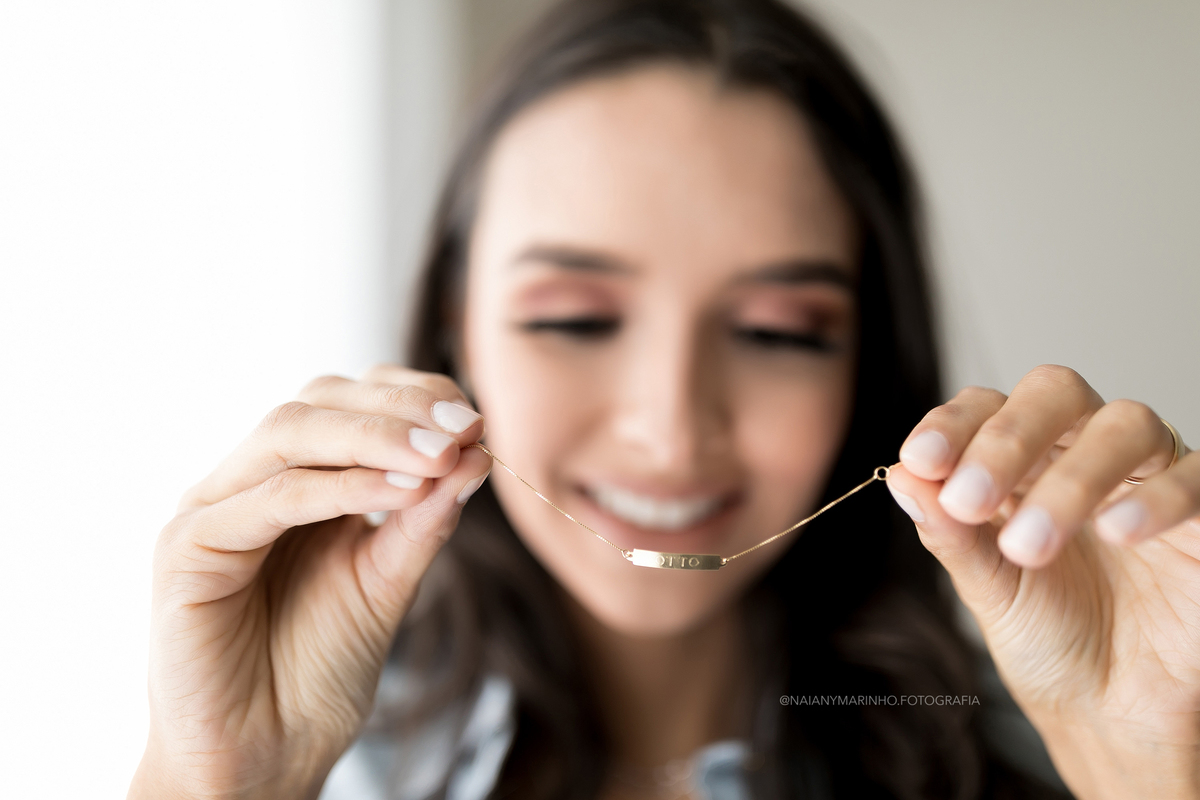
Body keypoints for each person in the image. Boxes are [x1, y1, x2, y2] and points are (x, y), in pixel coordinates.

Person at [127, 1, 1199, 798]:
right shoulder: (319, 762)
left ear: (865, 365)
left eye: (776, 332)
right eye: (574, 319)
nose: (671, 430)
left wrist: (1147, 767)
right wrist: (221, 782)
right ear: (459, 326)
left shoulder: (1038, 750)